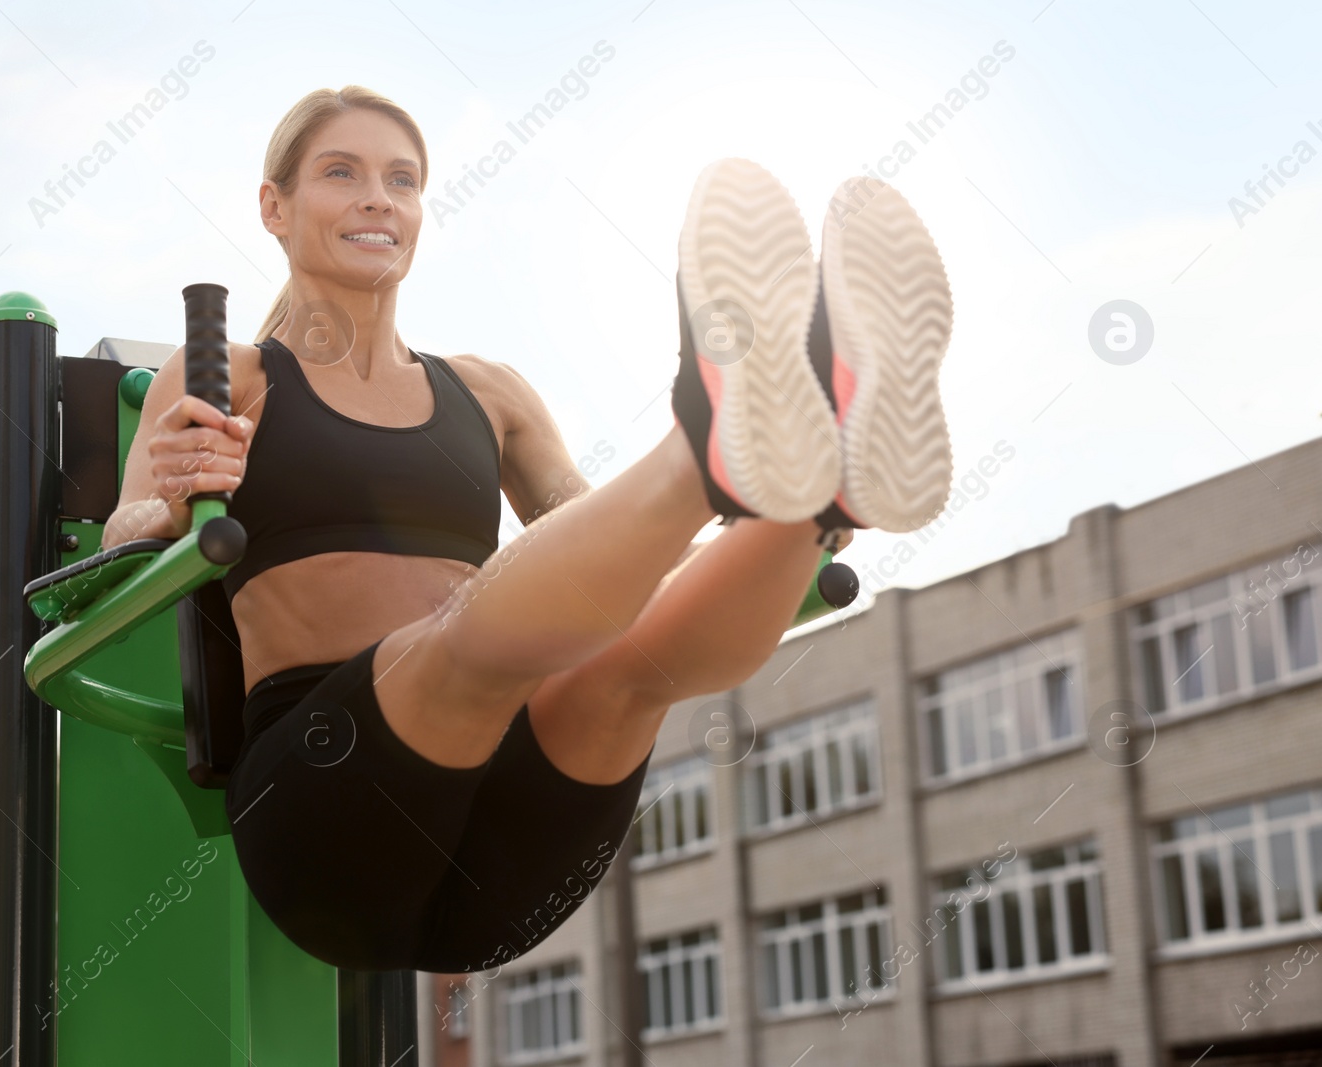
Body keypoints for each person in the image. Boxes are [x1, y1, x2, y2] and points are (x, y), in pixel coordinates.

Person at [100, 85, 953, 974]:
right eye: (340, 173)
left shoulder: (490, 394)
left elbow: (614, 558)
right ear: (275, 206)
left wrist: (769, 542)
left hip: (503, 882)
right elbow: (118, 550)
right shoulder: (225, 378)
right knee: (468, 641)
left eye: (402, 179)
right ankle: (710, 442)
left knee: (626, 665)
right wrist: (165, 501)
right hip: (322, 820)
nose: (376, 198)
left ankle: (813, 499)